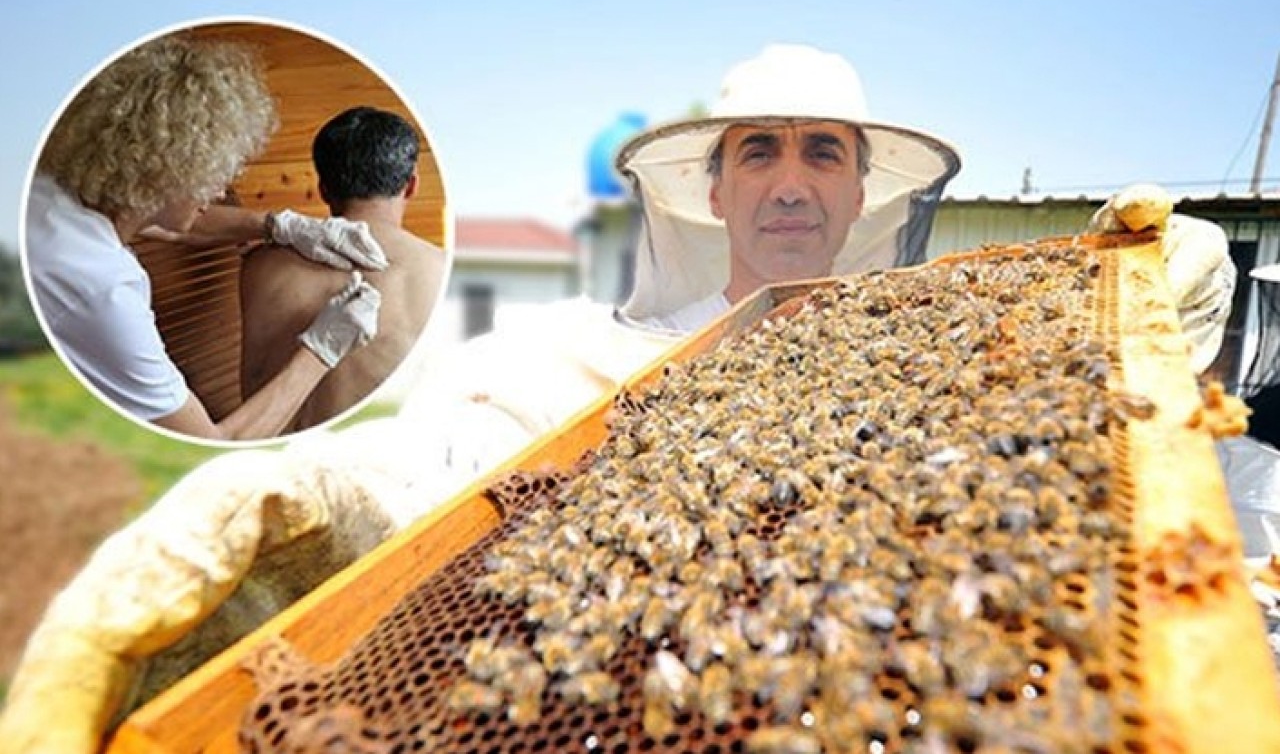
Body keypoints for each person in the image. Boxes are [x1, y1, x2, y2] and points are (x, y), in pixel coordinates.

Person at [0, 44, 1238, 752]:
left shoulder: (986, 358)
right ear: (711, 190)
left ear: (864, 192)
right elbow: (451, 464)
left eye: (823, 150)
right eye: (759, 147)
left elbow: (1147, 503)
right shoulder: (572, 351)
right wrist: (315, 494)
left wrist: (1145, 315)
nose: (792, 181)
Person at [24, 34, 388, 442]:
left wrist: (279, 225)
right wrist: (323, 349)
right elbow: (215, 442)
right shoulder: (103, 292)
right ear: (161, 177)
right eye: (208, 179)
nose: (218, 193)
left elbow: (163, 218)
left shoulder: (56, 186)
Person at [239, 106, 448, 431]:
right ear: (411, 186)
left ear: (323, 188)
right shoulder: (438, 271)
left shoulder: (259, 266)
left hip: (274, 452)